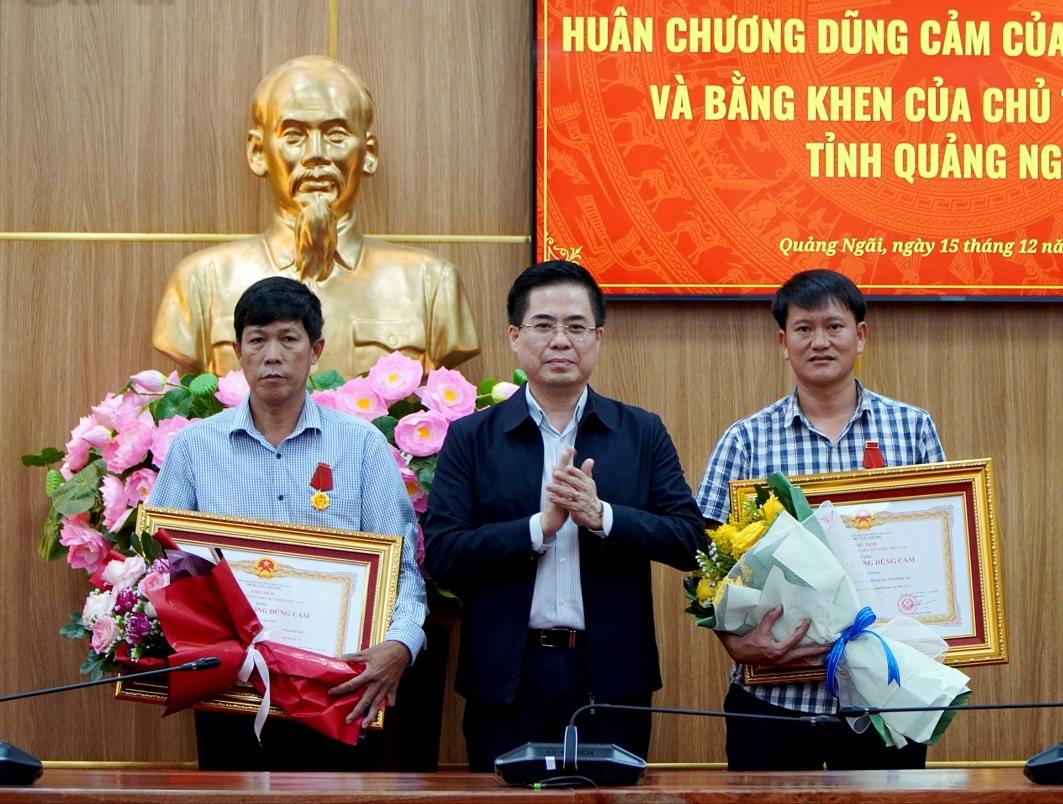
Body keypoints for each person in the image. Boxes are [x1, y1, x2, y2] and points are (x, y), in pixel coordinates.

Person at [423, 260, 704, 772]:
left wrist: (603, 517)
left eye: (576, 326)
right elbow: (442, 554)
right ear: (514, 336)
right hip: (505, 678)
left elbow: (690, 541)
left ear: (597, 337)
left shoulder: (640, 432)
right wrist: (538, 528)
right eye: (543, 325)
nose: (560, 340)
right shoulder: (472, 437)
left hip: (612, 677)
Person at [148, 276, 426, 770]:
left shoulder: (361, 446)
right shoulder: (194, 448)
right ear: (238, 352)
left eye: (288, 339)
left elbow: (402, 567)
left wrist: (402, 643)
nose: (272, 355)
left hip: (336, 687)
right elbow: (164, 564)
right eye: (257, 340)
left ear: (315, 350)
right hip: (230, 685)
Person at [695, 268, 946, 771]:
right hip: (775, 701)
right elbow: (706, 562)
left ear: (861, 336)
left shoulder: (912, 429)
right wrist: (736, 641)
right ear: (783, 343)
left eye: (834, 326)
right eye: (804, 329)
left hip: (885, 695)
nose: (820, 341)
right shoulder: (745, 440)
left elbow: (940, 550)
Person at [152, 55, 479, 378]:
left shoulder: (431, 283)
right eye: (293, 136)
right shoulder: (201, 282)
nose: (316, 154)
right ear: (258, 153)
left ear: (369, 154)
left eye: (336, 135)